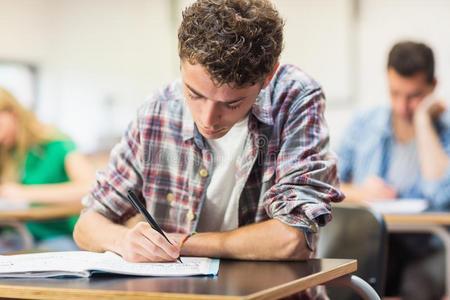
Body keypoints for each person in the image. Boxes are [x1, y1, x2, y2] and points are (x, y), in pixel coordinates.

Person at [74, 0, 343, 298]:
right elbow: (87, 225)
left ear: (267, 77)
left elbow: (290, 239)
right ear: (181, 63)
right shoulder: (157, 111)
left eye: (232, 103)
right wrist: (124, 240)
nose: (208, 119)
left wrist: (180, 243)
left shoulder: (295, 98)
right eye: (194, 94)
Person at [336, 41, 448, 300]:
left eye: (414, 96)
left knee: (418, 288)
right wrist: (361, 192)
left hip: (429, 245)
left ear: (432, 87)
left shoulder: (445, 131)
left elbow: (442, 196)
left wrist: (423, 122)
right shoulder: (366, 124)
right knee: (350, 284)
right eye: (395, 93)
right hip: (377, 240)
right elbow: (327, 183)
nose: (401, 106)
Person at [0, 88, 94, 251]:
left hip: (57, 235)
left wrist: (24, 193)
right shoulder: (7, 151)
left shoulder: (57, 143)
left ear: (12, 114)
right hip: (17, 234)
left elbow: (90, 188)